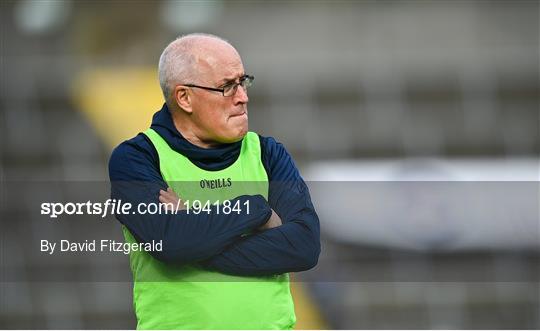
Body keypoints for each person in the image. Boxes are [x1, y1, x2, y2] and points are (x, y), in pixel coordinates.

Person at [108, 33, 320, 330]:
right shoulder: (138, 158)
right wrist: (255, 210)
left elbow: (303, 247)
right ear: (184, 98)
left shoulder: (268, 153)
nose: (243, 97)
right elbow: (171, 243)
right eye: (226, 87)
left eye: (243, 82)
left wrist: (195, 232)